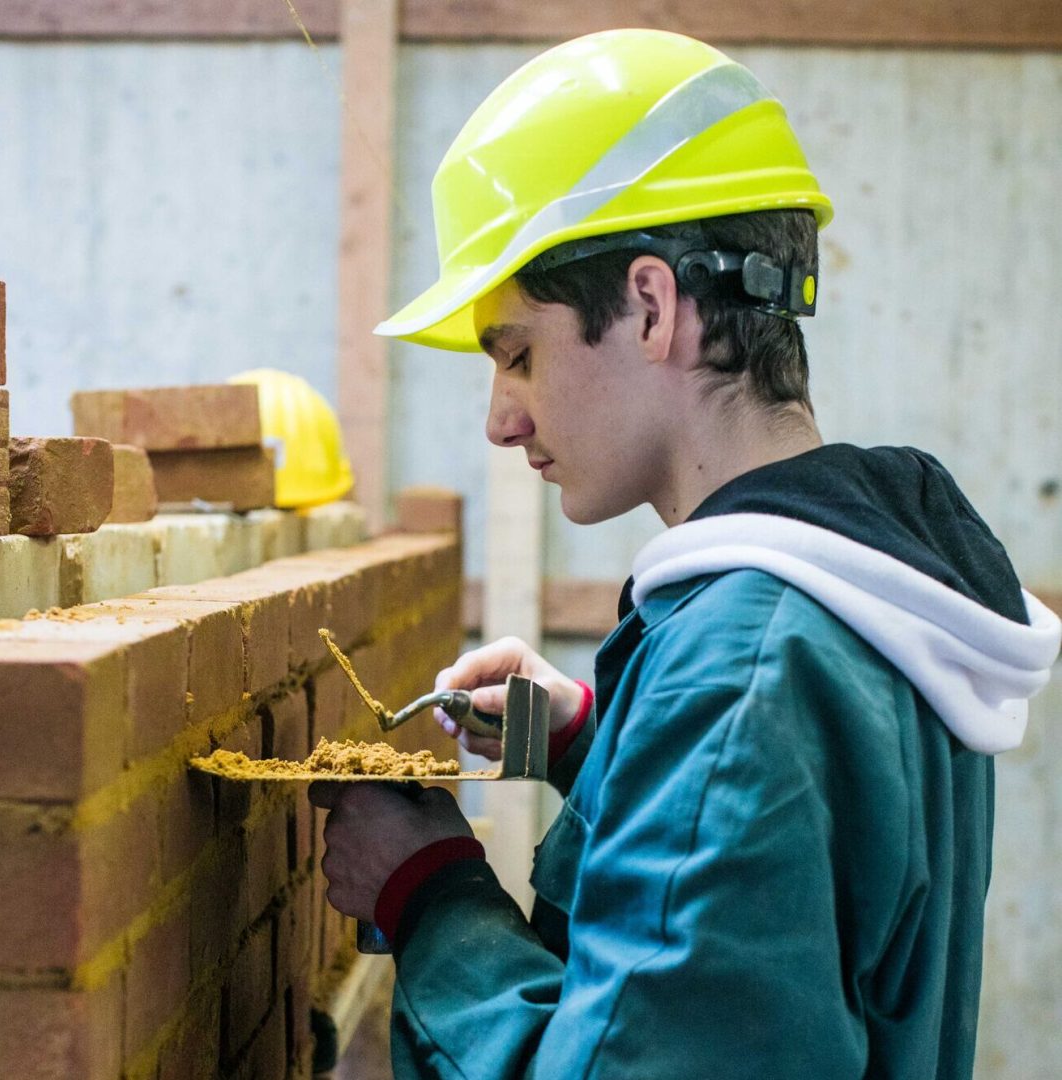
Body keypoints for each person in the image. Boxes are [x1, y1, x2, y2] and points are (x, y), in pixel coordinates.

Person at [309, 29, 1061, 1078]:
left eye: (517, 354)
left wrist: (429, 892)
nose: (500, 422)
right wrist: (594, 741)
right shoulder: (870, 594)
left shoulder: (741, 670)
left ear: (653, 308)